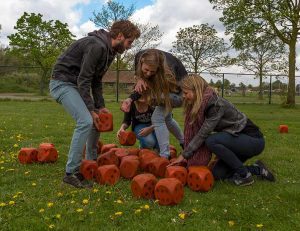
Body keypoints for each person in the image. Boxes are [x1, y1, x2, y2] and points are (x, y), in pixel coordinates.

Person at [49, 20, 140, 188]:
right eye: (129, 42)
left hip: (76, 85)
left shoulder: (110, 52)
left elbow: (96, 80)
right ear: (120, 36)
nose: (129, 46)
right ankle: (71, 173)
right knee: (85, 121)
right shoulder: (97, 45)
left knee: (96, 118)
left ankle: (90, 162)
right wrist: (91, 109)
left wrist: (100, 106)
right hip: (62, 83)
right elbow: (84, 79)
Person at [169, 74, 275, 186]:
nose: (183, 96)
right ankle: (258, 169)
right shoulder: (199, 105)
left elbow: (203, 133)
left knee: (211, 140)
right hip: (236, 140)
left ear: (197, 91)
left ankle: (244, 176)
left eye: (186, 93)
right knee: (217, 174)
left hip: (253, 140)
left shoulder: (215, 104)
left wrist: (185, 155)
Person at [121, 49, 187, 159]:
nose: (148, 73)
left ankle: (164, 155)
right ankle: (184, 142)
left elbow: (172, 92)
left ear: (158, 68)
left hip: (180, 93)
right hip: (166, 92)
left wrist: (152, 94)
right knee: (168, 119)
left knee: (157, 117)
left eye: (152, 72)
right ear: (141, 61)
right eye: (146, 70)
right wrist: (130, 99)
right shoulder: (139, 56)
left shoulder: (167, 73)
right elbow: (142, 87)